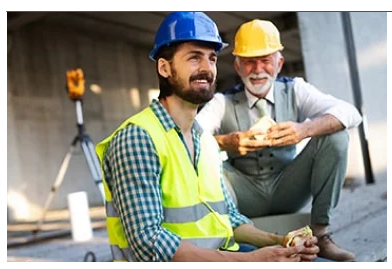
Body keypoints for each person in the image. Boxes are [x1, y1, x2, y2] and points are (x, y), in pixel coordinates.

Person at [96, 12, 320, 262]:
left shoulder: (204, 140)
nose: (207, 68)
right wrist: (253, 260)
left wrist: (280, 243)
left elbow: (229, 219)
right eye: (194, 58)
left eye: (212, 58)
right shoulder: (138, 138)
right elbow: (149, 243)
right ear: (164, 67)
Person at [196, 19, 362, 262]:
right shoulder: (222, 102)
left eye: (265, 60)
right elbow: (190, 136)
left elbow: (351, 113)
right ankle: (230, 242)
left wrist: (305, 130)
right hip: (243, 193)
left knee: (336, 136)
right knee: (206, 156)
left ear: (279, 63)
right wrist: (225, 142)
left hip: (288, 186)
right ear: (238, 66)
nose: (258, 69)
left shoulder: (296, 89)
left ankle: (320, 234)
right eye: (250, 62)